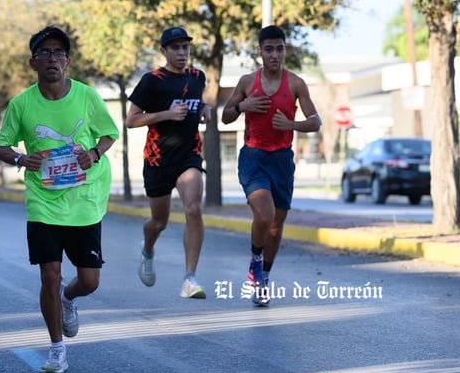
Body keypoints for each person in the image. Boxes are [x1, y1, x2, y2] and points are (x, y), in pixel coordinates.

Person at [0, 26, 119, 373]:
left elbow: (109, 134)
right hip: (43, 199)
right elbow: (0, 146)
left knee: (90, 281)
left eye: (60, 53)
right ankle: (56, 349)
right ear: (33, 61)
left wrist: (93, 153)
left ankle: (69, 299)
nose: (53, 58)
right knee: (49, 275)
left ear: (68, 61)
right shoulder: (21, 104)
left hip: (83, 198)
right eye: (46, 52)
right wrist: (21, 159)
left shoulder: (88, 96)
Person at [221, 25, 322, 307]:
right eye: (269, 49)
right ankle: (255, 258)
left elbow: (315, 121)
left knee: (276, 224)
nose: (275, 54)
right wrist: (244, 106)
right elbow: (226, 117)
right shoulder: (245, 82)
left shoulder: (296, 84)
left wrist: (292, 125)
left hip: (282, 160)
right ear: (260, 52)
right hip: (253, 157)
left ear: (284, 50)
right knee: (264, 215)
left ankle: (263, 277)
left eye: (279, 49)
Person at [126, 26, 212, 300]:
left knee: (194, 208)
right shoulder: (152, 80)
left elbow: (200, 102)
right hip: (158, 159)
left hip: (189, 155)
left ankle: (190, 279)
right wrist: (167, 114)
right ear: (163, 51)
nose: (182, 52)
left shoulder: (198, 76)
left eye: (185, 47)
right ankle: (148, 249)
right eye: (175, 48)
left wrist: (206, 109)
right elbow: (132, 120)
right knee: (159, 222)